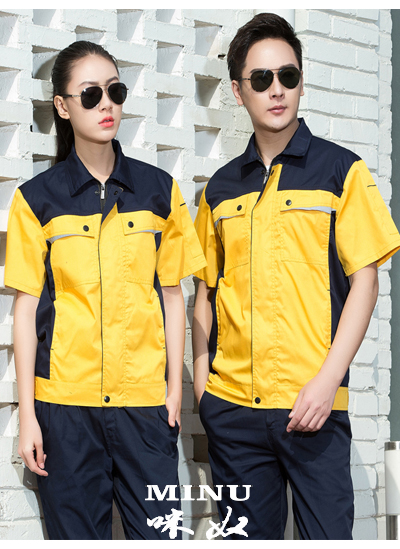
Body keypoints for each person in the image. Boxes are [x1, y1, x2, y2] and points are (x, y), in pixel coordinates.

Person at [192, 12, 400, 540]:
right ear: (238, 91)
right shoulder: (218, 190)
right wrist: (202, 388)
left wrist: (328, 381)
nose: (276, 89)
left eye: (288, 75)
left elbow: (366, 282)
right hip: (234, 413)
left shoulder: (341, 171)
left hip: (314, 407)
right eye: (261, 78)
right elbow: (205, 294)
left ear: (302, 82)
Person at [5, 40, 206, 540]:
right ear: (62, 106)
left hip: (144, 407)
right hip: (65, 410)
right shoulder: (36, 200)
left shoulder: (159, 191)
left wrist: (173, 392)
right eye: (91, 94)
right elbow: (26, 312)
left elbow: (172, 297)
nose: (106, 104)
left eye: (115, 91)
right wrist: (28, 417)